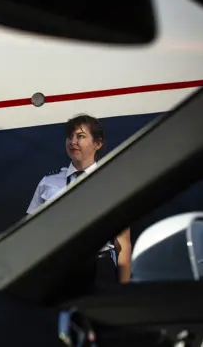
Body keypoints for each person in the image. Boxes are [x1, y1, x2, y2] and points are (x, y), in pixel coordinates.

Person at [26, 114, 132, 285]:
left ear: (98, 144)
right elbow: (30, 234)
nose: (73, 141)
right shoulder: (48, 183)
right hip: (58, 269)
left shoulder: (112, 184)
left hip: (99, 269)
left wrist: (124, 289)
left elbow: (123, 244)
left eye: (80, 136)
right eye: (70, 137)